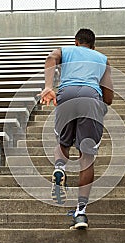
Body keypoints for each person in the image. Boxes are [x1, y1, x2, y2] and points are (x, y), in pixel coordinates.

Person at [38, 29, 114, 229]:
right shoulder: (102, 59)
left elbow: (51, 57)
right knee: (86, 156)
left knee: (63, 142)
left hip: (67, 93)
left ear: (76, 42)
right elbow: (109, 98)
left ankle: (60, 167)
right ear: (93, 45)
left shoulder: (66, 50)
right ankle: (81, 212)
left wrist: (48, 86)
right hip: (90, 96)